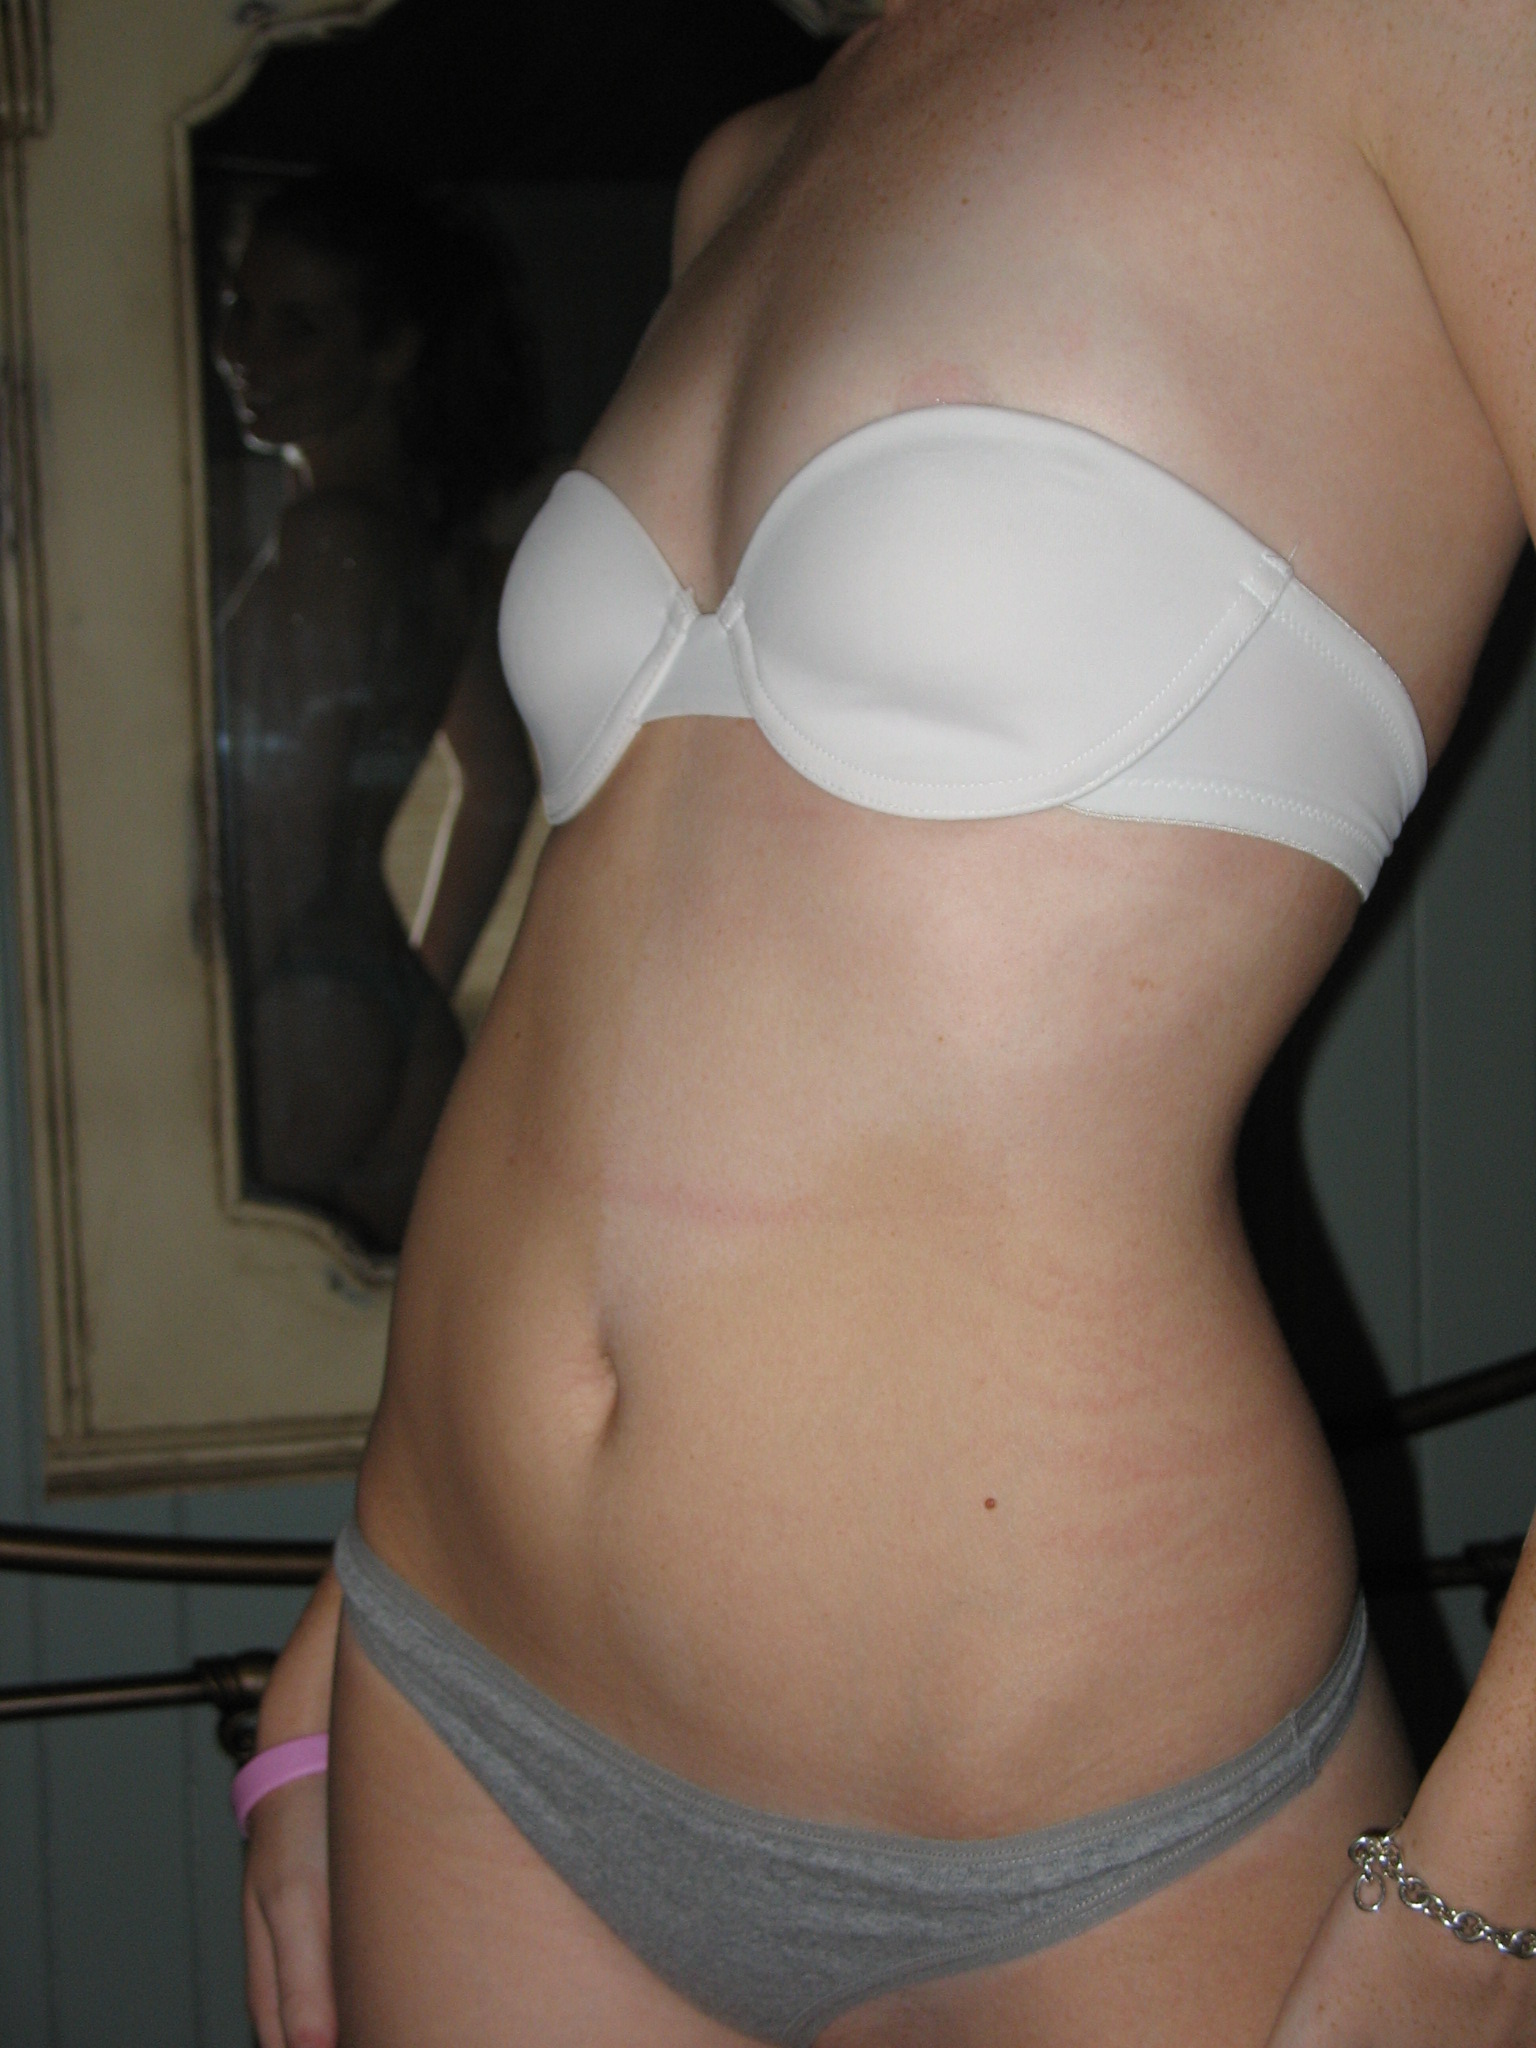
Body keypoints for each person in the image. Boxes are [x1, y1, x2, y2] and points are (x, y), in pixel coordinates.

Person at [240, 2, 1536, 2042]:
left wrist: (1482, 1902)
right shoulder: (755, 161)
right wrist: (341, 1620)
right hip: (458, 1661)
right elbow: (638, 960)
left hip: (1079, 1817)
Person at [216, 170, 539, 1251]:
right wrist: (415, 984)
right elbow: (499, 785)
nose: (246, 351)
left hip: (296, 1009)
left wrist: (192, 1021)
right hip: (377, 1004)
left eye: (297, 326)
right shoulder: (434, 550)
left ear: (392, 352)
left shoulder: (330, 543)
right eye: (240, 310)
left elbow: (284, 847)